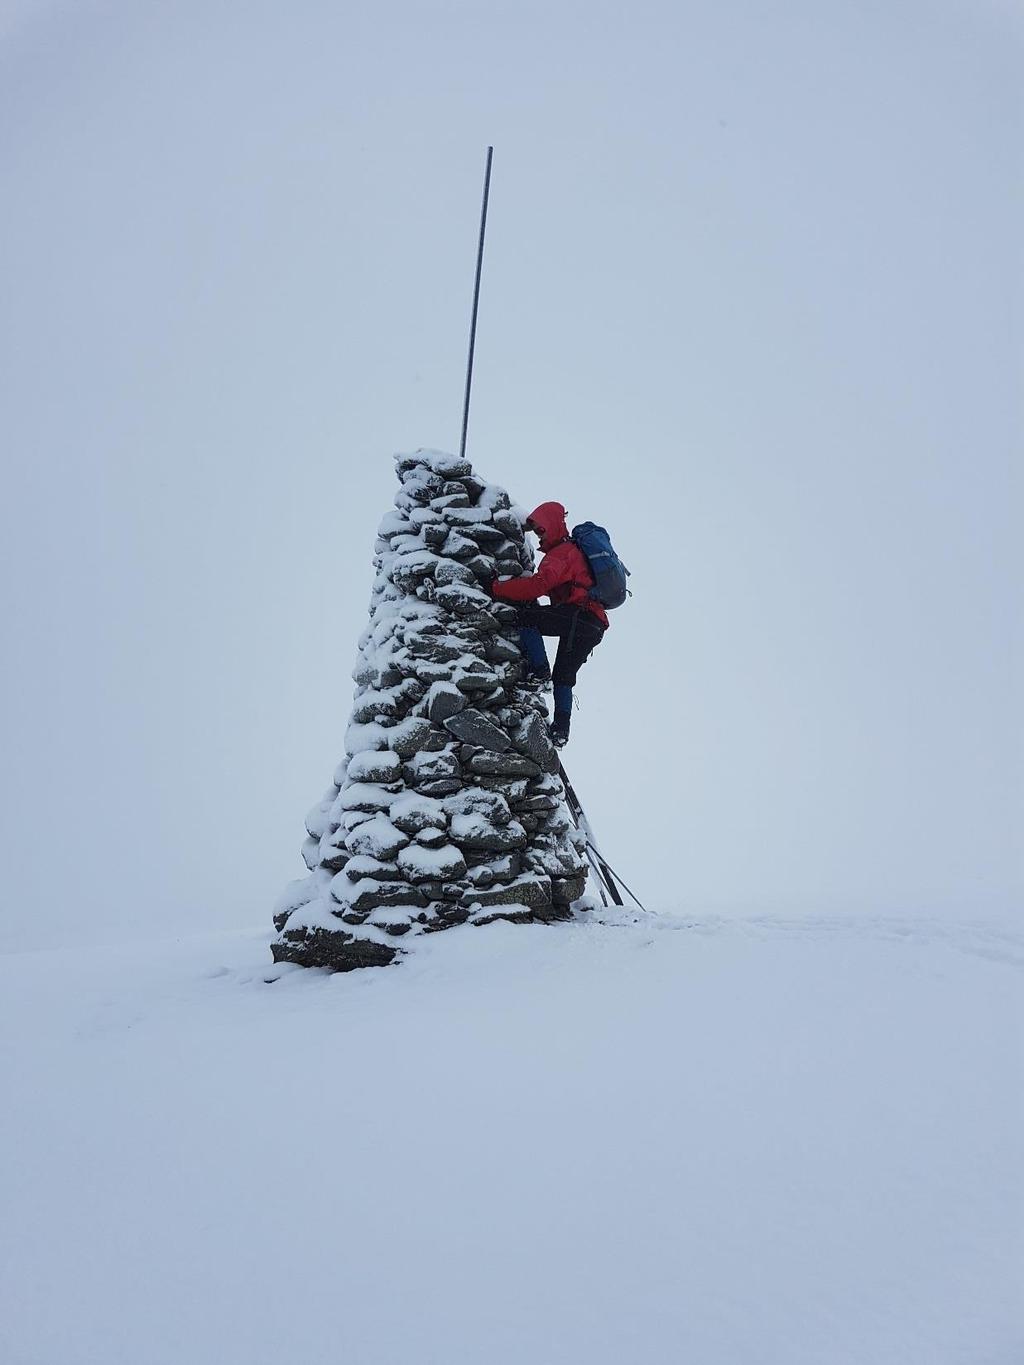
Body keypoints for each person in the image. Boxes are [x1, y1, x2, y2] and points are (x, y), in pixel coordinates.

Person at [490, 501, 608, 747]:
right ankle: (560, 731)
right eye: (536, 532)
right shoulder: (571, 553)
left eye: (542, 529)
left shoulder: (561, 554)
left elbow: (538, 585)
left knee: (527, 616)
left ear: (553, 525)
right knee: (564, 677)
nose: (540, 535)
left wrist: (498, 588)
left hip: (580, 616)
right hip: (592, 624)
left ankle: (539, 671)